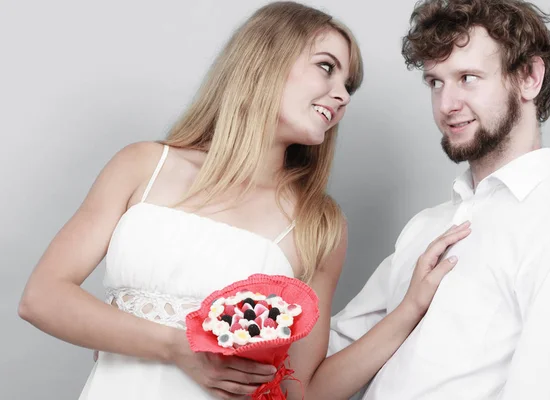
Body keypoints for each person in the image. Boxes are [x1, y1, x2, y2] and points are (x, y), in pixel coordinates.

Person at [19, 2, 470, 399]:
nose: (342, 95)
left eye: (349, 85)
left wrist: (408, 310)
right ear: (265, 59)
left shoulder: (317, 225)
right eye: (327, 67)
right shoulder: (142, 166)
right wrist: (177, 347)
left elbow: (302, 392)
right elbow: (41, 297)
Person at [329, 0, 550, 399]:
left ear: (529, 77)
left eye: (468, 77)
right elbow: (330, 356)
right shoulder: (425, 226)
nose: (446, 105)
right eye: (435, 82)